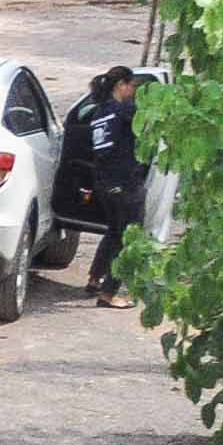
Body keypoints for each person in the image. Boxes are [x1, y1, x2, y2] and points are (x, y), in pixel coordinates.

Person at [70, 65, 150, 305]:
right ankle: (109, 294)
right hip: (125, 182)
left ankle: (95, 279)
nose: (133, 91)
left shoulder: (99, 113)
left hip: (103, 182)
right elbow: (151, 125)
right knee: (128, 237)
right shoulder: (125, 111)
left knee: (114, 231)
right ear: (120, 85)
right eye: (132, 86)